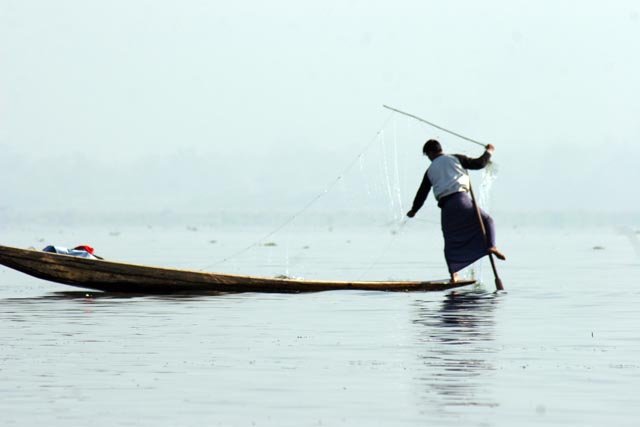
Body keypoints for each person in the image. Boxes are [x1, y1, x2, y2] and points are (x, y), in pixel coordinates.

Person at [406, 139, 505, 282]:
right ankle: (491, 246)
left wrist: (414, 210)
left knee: (449, 240)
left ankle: (453, 274)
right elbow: (479, 164)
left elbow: (422, 193)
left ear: (431, 153)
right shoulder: (456, 158)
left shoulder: (430, 170)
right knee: (487, 221)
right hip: (461, 200)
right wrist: (489, 151)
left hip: (447, 207)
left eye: (427, 155)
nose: (429, 158)